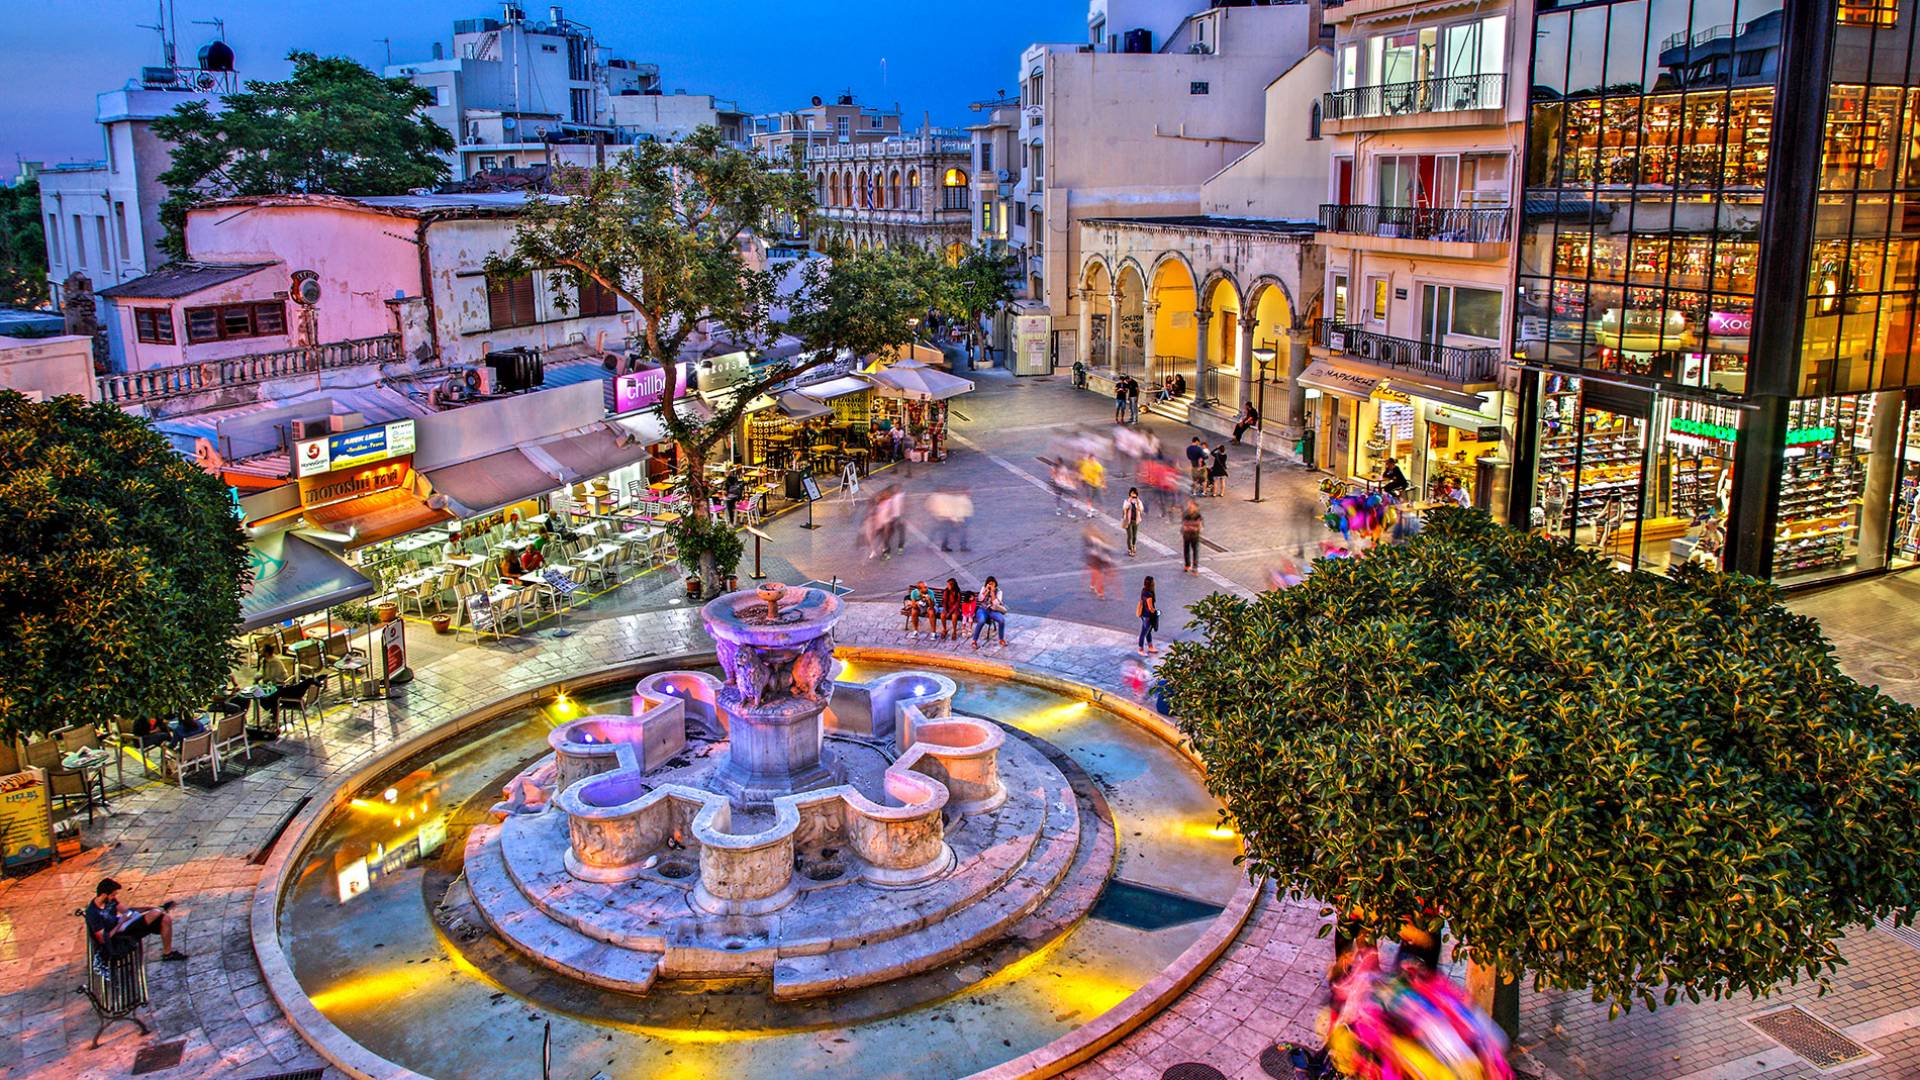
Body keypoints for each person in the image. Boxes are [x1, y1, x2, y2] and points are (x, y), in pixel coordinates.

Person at [86, 878, 185, 966]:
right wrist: (121, 923)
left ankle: (168, 953)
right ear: (104, 895)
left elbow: (127, 911)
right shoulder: (93, 913)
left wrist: (147, 908)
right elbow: (104, 939)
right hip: (118, 936)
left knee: (165, 919)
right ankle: (160, 909)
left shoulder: (110, 901)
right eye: (112, 895)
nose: (114, 897)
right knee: (154, 914)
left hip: (124, 925)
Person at [972, 576, 1008, 649]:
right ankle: (974, 641)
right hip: (982, 609)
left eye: (992, 584)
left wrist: (992, 592)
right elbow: (980, 599)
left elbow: (996, 603)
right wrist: (986, 591)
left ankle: (1001, 639)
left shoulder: (999, 592)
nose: (991, 585)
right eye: (989, 584)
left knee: (1001, 620)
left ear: (995, 584)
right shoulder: (984, 588)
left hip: (993, 610)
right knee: (981, 621)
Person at [1084, 524, 1114, 599]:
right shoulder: (1095, 541)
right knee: (1100, 577)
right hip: (1097, 560)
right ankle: (1100, 592)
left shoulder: (1094, 540)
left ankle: (1093, 586)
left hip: (1096, 560)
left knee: (1096, 574)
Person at [1136, 576, 1159, 654]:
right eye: (1153, 582)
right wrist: (1157, 612)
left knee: (1148, 631)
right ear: (1151, 584)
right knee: (1144, 632)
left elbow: (1142, 601)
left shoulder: (1143, 590)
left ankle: (1150, 647)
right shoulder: (1149, 594)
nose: (1154, 583)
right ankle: (1140, 649)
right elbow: (1150, 608)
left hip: (1143, 614)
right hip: (1148, 616)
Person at [1120, 487, 1145, 557]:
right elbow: (1124, 508)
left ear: (1136, 494)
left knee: (1134, 536)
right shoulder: (1127, 501)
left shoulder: (1139, 502)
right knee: (1130, 536)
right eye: (1132, 493)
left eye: (1134, 493)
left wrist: (1137, 503)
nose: (1133, 494)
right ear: (1130, 494)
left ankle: (1133, 545)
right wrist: (1129, 502)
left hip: (1136, 521)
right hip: (1128, 521)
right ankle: (1130, 549)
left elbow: (1141, 510)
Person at [1180, 500, 1204, 574]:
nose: (1190, 507)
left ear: (1195, 507)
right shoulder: (1185, 514)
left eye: (1191, 506)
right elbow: (1184, 525)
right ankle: (1187, 565)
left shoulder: (1198, 515)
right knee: (1186, 550)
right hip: (1187, 535)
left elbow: (1199, 525)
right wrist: (1193, 526)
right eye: (1189, 506)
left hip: (1195, 536)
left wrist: (1190, 526)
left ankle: (1195, 567)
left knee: (1195, 551)